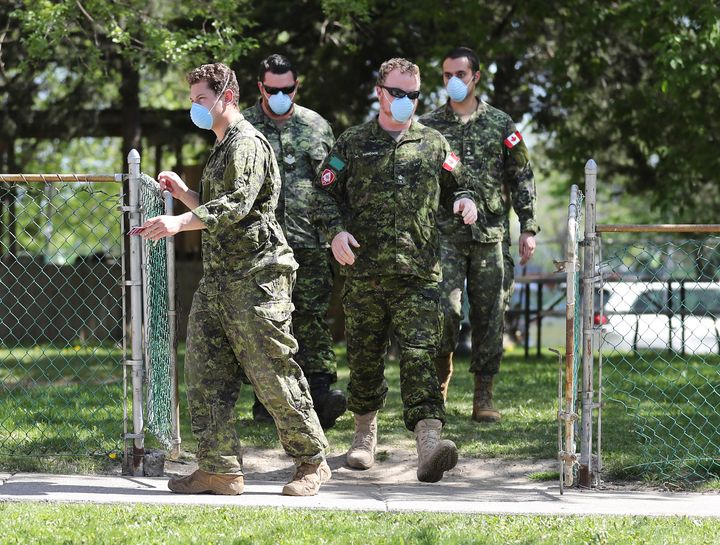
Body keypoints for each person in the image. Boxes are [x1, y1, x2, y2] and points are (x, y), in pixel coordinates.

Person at [137, 62, 330, 496]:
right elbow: (218, 204)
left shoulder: (247, 144)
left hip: (258, 278)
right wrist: (184, 194)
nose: (196, 109)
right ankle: (220, 468)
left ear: (226, 96)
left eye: (201, 100)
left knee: (272, 374)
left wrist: (177, 221)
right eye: (192, 102)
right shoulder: (223, 145)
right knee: (205, 373)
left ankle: (312, 461)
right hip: (221, 279)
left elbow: (238, 205)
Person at [313, 58, 478, 483]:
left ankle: (428, 445)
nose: (406, 101)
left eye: (414, 95)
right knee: (364, 360)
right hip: (364, 275)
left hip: (419, 276)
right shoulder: (352, 143)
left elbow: (462, 183)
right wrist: (334, 232)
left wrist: (465, 200)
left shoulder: (434, 143)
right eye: (398, 93)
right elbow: (322, 195)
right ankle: (364, 436)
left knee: (421, 356)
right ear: (379, 91)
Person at [419, 47, 539, 422]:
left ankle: (483, 396)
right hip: (444, 237)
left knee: (490, 315)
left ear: (476, 77)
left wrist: (529, 227)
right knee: (445, 311)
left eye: (459, 74)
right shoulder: (428, 126)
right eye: (446, 75)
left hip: (490, 236)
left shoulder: (501, 124)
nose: (452, 81)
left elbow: (521, 175)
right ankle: (439, 384)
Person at [242, 54, 346, 429]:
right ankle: (268, 399)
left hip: (311, 240)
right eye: (273, 89)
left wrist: (336, 230)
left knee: (313, 317)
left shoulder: (317, 126)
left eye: (287, 89)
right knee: (266, 319)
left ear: (296, 86)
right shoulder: (243, 126)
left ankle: (320, 393)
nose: (281, 95)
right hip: (261, 242)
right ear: (260, 87)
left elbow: (333, 183)